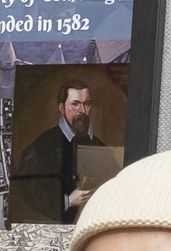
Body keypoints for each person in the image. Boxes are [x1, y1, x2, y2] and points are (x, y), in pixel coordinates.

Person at [9, 80, 103, 223]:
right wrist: (68, 201)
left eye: (87, 104)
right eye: (75, 104)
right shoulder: (41, 147)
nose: (82, 111)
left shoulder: (98, 145)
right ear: (61, 108)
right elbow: (30, 193)